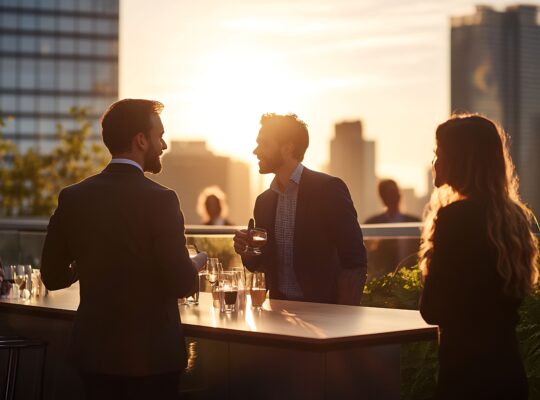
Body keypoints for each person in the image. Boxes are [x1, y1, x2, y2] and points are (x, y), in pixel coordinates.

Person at [41, 99, 207, 400]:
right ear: (140, 140)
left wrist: (89, 260)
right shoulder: (162, 200)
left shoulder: (73, 197)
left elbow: (52, 277)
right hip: (152, 357)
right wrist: (196, 262)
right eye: (159, 136)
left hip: (94, 355)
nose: (164, 144)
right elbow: (183, 283)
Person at [419, 114, 538, 399]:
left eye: (439, 153)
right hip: (508, 373)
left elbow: (432, 309)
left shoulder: (455, 218)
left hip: (465, 378)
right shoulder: (514, 217)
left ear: (460, 159)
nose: (434, 161)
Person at [233, 113, 367, 305]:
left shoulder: (328, 189)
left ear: (287, 147)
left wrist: (344, 317)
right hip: (279, 313)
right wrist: (247, 252)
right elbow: (261, 265)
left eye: (264, 144)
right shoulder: (264, 201)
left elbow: (355, 260)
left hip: (324, 314)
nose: (256, 151)